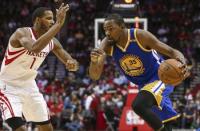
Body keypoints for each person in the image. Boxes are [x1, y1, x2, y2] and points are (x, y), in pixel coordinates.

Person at [89, 14, 190, 131]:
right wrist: (94, 62)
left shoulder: (139, 36)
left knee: (138, 105)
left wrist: (182, 62)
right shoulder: (108, 45)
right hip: (144, 85)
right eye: (105, 30)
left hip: (161, 77)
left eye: (111, 29)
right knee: (167, 123)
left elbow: (172, 51)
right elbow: (94, 75)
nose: (107, 33)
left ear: (122, 26)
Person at [0, 3, 79, 131]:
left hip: (29, 85)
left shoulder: (52, 42)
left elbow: (72, 61)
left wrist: (73, 64)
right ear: (37, 20)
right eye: (48, 18)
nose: (52, 21)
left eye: (53, 18)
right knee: (20, 129)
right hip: (8, 86)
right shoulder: (22, 33)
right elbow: (35, 48)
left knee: (47, 128)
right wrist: (59, 24)